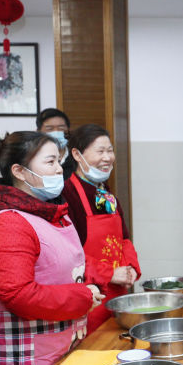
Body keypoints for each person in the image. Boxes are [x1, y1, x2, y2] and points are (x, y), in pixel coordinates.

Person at [0, 131, 103, 365]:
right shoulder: (9, 223)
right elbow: (17, 294)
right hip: (28, 356)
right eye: (50, 162)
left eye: (59, 161)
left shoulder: (51, 213)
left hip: (59, 341)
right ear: (19, 171)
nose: (59, 169)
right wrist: (82, 296)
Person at [62, 124, 141, 332]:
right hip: (89, 299)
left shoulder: (105, 193)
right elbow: (68, 255)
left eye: (110, 150)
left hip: (117, 296)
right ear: (77, 155)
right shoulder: (67, 194)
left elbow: (124, 239)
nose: (108, 158)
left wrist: (130, 267)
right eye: (100, 151)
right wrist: (108, 274)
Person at [36, 108, 73, 178]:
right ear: (38, 131)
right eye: (49, 129)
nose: (56, 132)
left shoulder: (77, 156)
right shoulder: (33, 158)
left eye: (61, 128)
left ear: (68, 130)